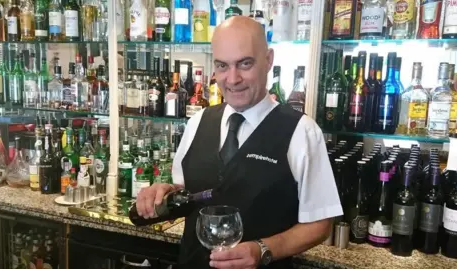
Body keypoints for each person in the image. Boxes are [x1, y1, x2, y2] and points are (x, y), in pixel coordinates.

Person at [135, 16, 343, 269]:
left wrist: (264, 249)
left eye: (245, 64)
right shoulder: (198, 121)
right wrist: (161, 193)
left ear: (268, 61)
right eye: (222, 66)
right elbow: (185, 192)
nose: (232, 79)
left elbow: (320, 223)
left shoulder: (302, 132)